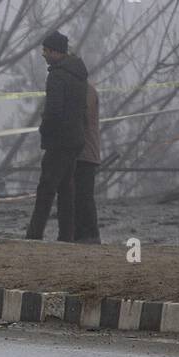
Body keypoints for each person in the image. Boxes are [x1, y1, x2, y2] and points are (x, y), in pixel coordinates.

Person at [26, 31, 88, 241]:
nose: (43, 54)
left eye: (46, 50)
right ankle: (66, 235)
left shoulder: (57, 76)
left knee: (46, 187)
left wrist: (45, 130)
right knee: (66, 188)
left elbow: (54, 110)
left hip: (59, 141)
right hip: (75, 138)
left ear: (55, 52)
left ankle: (34, 235)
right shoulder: (79, 74)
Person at [73, 82, 103, 244]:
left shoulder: (86, 90)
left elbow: (82, 115)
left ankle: (90, 234)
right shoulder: (82, 89)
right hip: (79, 151)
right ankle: (80, 233)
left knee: (84, 195)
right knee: (77, 195)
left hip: (85, 152)